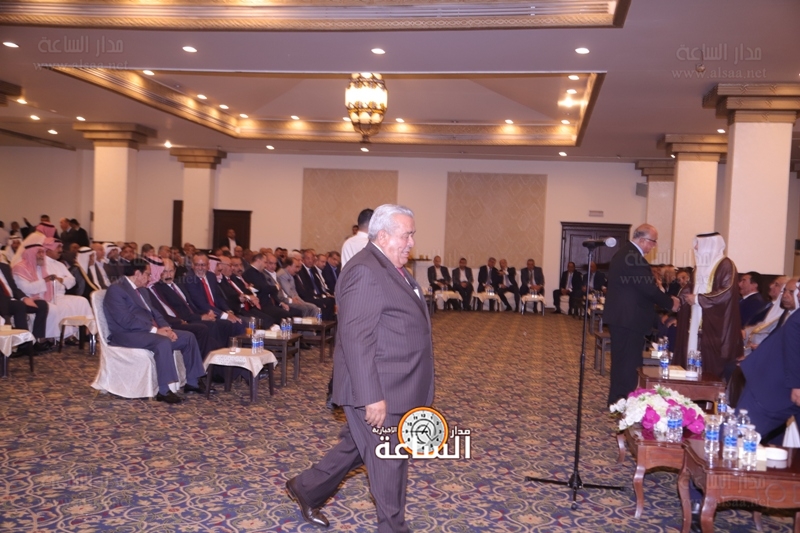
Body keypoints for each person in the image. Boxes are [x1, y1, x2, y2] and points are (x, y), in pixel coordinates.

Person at [286, 204, 433, 532]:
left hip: (396, 381)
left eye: (412, 235)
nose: (411, 242)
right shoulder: (365, 270)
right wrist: (371, 396)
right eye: (406, 235)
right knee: (389, 460)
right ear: (382, 236)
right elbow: (356, 338)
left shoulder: (391, 267)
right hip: (379, 388)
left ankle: (307, 488)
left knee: (358, 444)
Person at [103, 259, 207, 404]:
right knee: (162, 342)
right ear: (137, 273)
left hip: (147, 332)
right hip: (126, 334)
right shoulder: (116, 289)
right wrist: (155, 331)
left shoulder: (142, 290)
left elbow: (156, 313)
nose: (150, 278)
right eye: (147, 274)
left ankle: (193, 382)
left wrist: (166, 328)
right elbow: (125, 320)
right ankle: (163, 391)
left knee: (188, 337)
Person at [604, 224, 678, 405]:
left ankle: (617, 400)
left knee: (622, 362)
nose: (654, 246)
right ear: (643, 240)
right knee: (628, 364)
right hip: (628, 319)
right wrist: (670, 303)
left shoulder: (625, 254)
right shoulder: (633, 258)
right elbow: (648, 289)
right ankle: (623, 401)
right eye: (653, 242)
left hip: (623, 318)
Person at [738, 279, 800, 443]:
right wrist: (797, 384)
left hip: (782, 383)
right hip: (771, 384)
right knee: (738, 439)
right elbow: (794, 330)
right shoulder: (795, 320)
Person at [678, 233, 743, 380]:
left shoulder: (726, 265)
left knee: (712, 368)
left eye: (698, 244)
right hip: (697, 321)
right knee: (695, 359)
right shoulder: (699, 267)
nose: (695, 247)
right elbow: (691, 287)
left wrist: (699, 299)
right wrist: (678, 300)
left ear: (709, 245)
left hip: (717, 326)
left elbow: (727, 291)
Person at [0, 260, 50, 351]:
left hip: (13, 300)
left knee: (42, 304)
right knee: (19, 306)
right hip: (2, 302)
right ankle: (23, 345)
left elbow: (14, 288)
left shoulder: (4, 267)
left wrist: (24, 298)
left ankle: (36, 340)